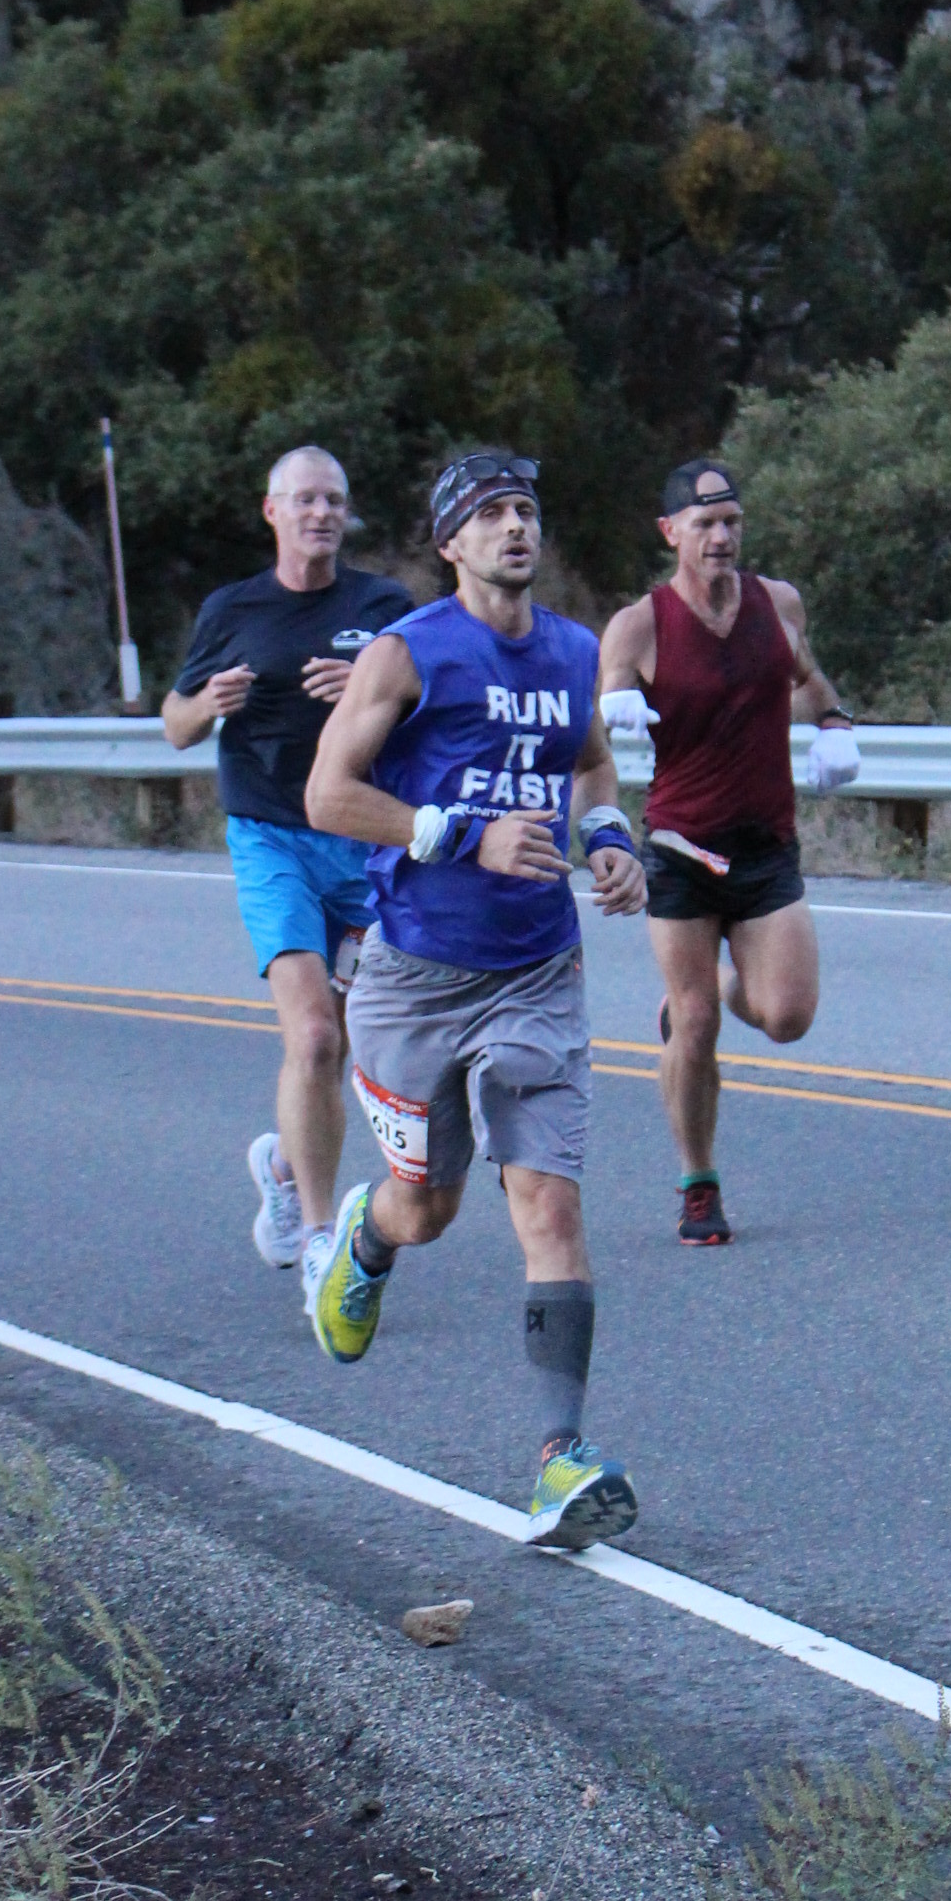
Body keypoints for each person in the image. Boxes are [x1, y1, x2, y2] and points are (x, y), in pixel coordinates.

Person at [303, 447, 649, 1549]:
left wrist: (608, 837)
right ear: (451, 541)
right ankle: (366, 1243)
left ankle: (560, 1459)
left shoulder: (572, 652)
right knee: (428, 1208)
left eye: (525, 509)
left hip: (538, 969)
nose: (515, 527)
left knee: (548, 1203)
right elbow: (327, 794)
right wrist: (459, 834)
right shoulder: (409, 653)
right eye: (491, 512)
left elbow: (589, 764)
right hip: (414, 977)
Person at [162, 445, 411, 1281]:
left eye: (333, 500)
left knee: (345, 1044)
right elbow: (175, 725)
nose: (320, 514)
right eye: (304, 499)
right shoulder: (233, 609)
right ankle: (317, 1238)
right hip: (271, 836)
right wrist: (208, 702)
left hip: (363, 842)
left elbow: (428, 706)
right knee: (311, 1037)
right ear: (272, 511)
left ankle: (280, 1166)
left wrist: (371, 690)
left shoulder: (383, 606)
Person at [597, 455, 858, 1244]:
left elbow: (806, 678)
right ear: (670, 532)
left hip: (765, 845)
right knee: (697, 1024)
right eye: (705, 523)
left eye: (732, 522)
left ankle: (704, 986)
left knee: (787, 1016)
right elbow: (605, 698)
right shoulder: (641, 623)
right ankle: (698, 1182)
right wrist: (618, 703)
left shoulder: (777, 603)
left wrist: (835, 723)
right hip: (681, 847)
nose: (721, 537)